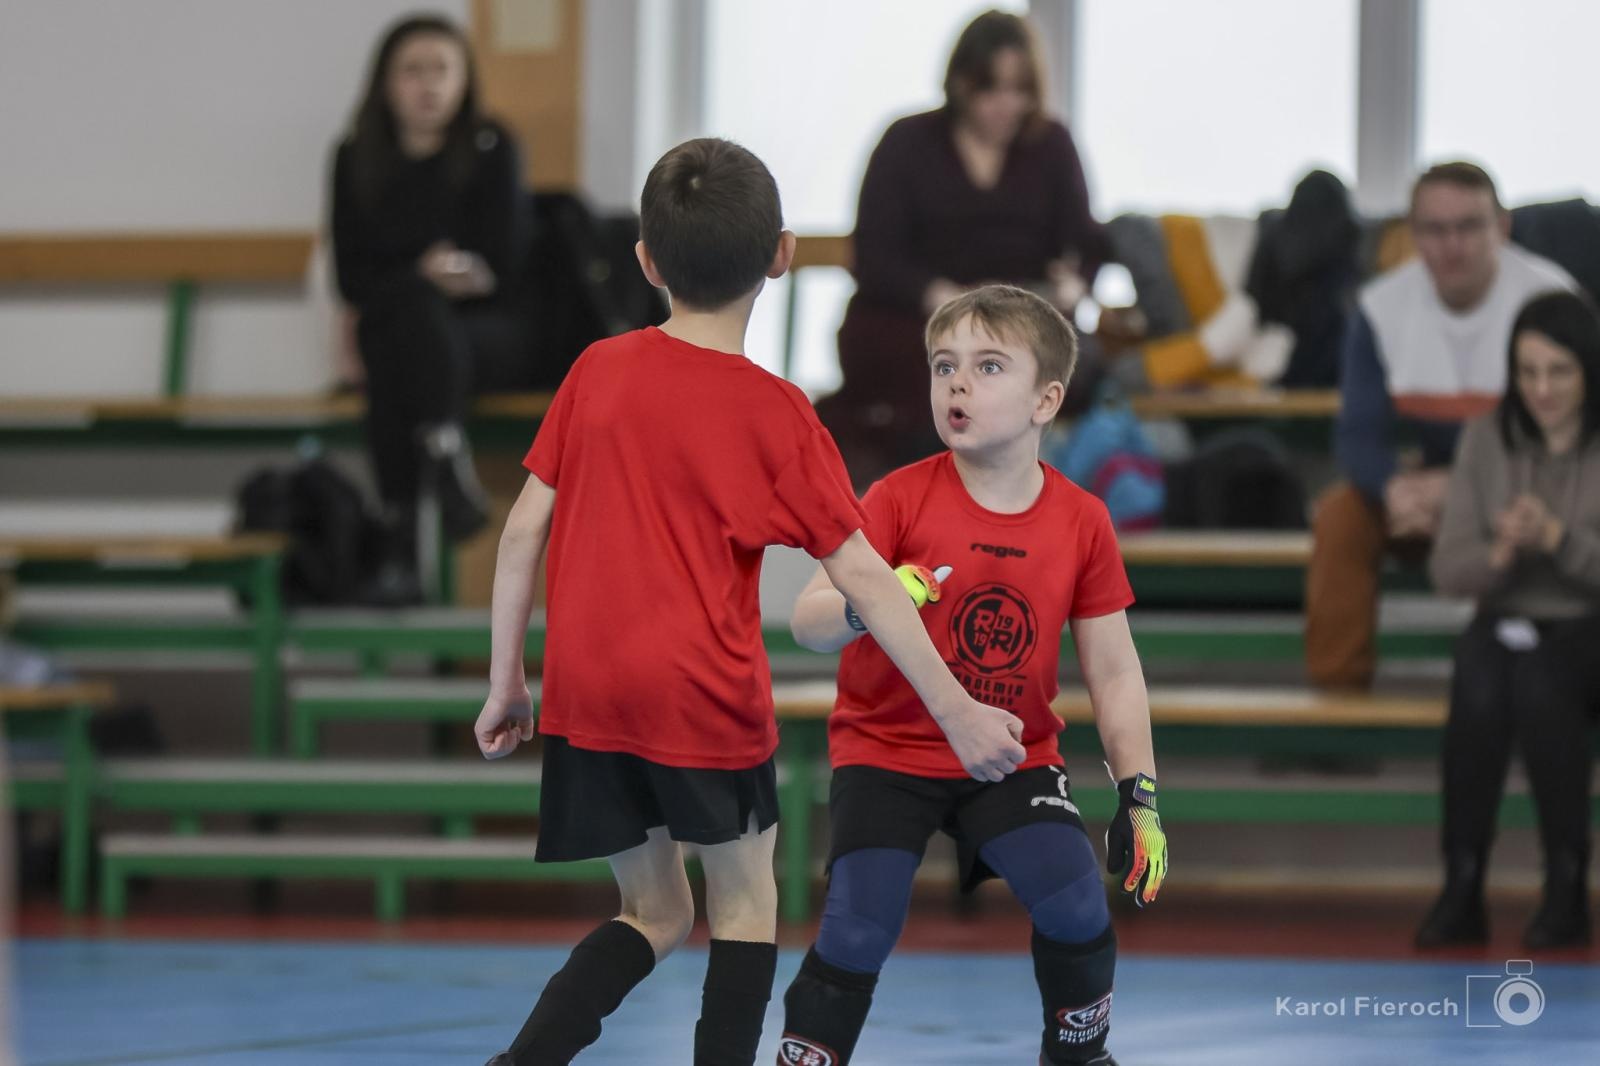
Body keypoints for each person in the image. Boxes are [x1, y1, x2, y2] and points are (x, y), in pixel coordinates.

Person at [473, 139, 1026, 1066]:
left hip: (588, 690)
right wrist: (958, 708)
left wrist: (507, 684)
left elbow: (523, 530)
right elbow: (862, 577)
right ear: (783, 253)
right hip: (700, 694)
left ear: (646, 261)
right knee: (743, 907)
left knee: (651, 911)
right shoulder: (777, 415)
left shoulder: (596, 372)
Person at [777, 286, 1167, 1066]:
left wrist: (1140, 791)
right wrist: (872, 601)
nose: (958, 384)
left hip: (1012, 757)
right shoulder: (898, 497)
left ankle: (1077, 1056)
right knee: (858, 926)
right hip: (888, 750)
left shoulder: (1082, 519)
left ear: (1045, 400)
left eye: (989, 367)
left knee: (1076, 905)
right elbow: (808, 619)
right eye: (943, 366)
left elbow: (1116, 669)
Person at [1305, 163, 1575, 689]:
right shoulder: (1380, 308)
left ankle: (1550, 694)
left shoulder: (1552, 302)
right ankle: (1336, 709)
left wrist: (1468, 490)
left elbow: (1570, 441)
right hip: (1423, 501)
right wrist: (1392, 487)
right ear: (1412, 233)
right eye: (1434, 228)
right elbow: (1357, 435)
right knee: (1341, 516)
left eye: (1468, 227)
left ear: (1502, 227)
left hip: (1527, 492)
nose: (1451, 245)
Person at [815, 9, 1108, 488]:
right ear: (960, 84)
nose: (1005, 104)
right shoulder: (906, 142)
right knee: (936, 369)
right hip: (920, 320)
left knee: (1048, 362)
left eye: (1019, 90)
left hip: (1020, 320)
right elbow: (873, 255)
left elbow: (1087, 244)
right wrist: (937, 294)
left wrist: (1075, 284)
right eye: (990, 88)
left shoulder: (1052, 144)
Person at [1418, 290, 1600, 951]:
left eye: (1559, 372)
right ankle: (1462, 886)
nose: (1542, 389)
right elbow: (1448, 569)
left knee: (1544, 682)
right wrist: (1497, 555)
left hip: (1588, 622)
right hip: (1506, 615)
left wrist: (1559, 541)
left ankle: (1567, 884)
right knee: (1480, 677)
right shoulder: (1487, 438)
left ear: (1589, 370)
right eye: (1527, 373)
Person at [330, 14, 532, 604]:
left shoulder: (494, 146)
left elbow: (510, 265)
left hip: (485, 330)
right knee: (408, 322)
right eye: (412, 71)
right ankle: (442, 452)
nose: (428, 85)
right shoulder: (354, 158)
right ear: (386, 84)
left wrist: (449, 278)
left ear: (464, 79)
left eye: (442, 69)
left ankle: (397, 543)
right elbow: (351, 277)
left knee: (400, 342)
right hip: (408, 327)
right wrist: (420, 276)